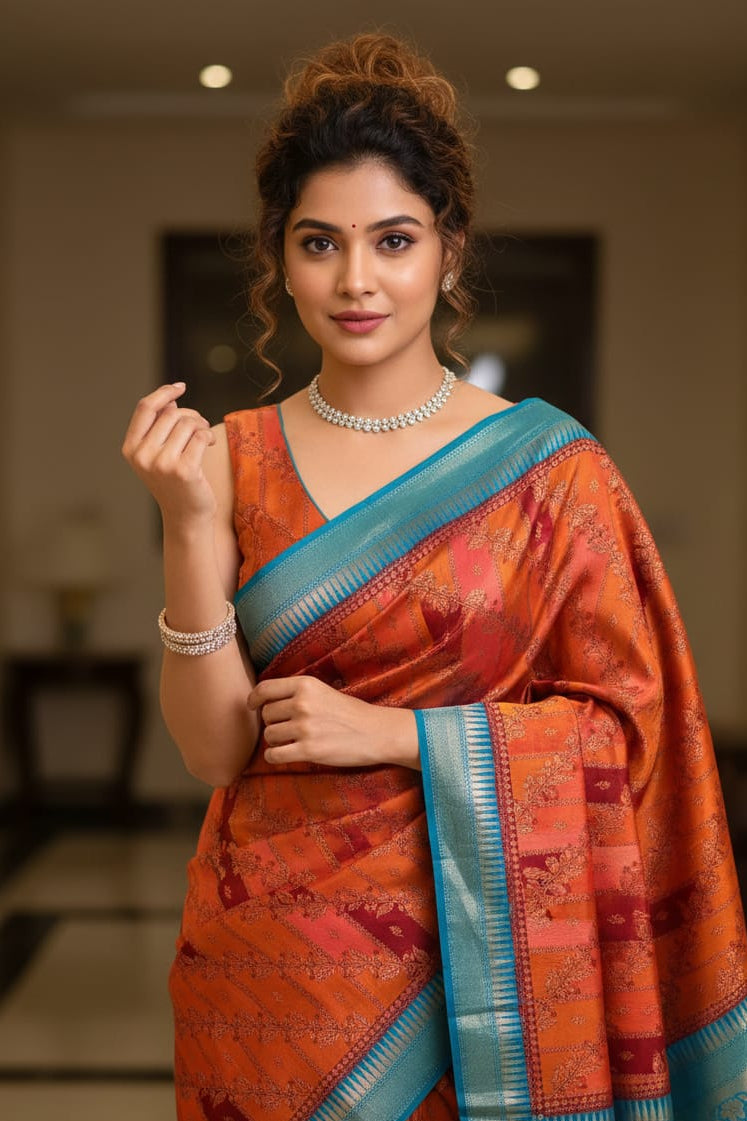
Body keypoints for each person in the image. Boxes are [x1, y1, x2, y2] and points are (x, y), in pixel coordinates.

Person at [122, 31, 747, 1121]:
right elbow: (214, 747)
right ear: (279, 259)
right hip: (270, 972)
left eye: (393, 240)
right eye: (320, 243)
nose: (356, 279)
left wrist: (396, 733)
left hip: (482, 967)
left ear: (449, 254)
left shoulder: (553, 472)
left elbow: (630, 730)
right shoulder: (231, 455)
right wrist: (186, 527)